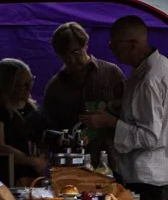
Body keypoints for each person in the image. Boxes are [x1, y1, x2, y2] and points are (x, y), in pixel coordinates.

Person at [103, 17, 168, 200]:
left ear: (133, 44)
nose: (112, 50)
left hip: (149, 179)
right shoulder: (160, 65)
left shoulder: (150, 78)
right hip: (158, 175)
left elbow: (149, 137)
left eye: (114, 45)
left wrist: (110, 122)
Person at [43, 21, 125, 159]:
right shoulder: (55, 87)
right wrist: (59, 139)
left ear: (85, 45)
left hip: (111, 160)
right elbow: (48, 129)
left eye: (75, 52)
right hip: (72, 163)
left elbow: (132, 118)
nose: (71, 60)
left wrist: (108, 121)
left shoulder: (111, 74)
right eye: (64, 55)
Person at [0, 58, 50, 183]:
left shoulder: (31, 109)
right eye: (23, 85)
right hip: (6, 177)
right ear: (8, 85)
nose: (29, 88)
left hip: (34, 178)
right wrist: (32, 161)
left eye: (30, 81)